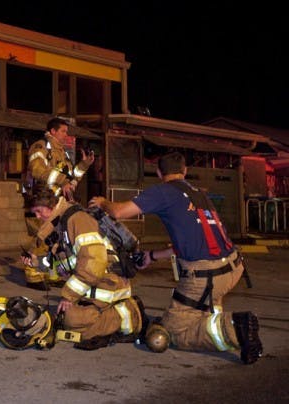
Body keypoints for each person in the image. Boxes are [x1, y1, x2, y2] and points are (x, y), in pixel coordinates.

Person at [89, 151, 263, 364]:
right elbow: (192, 241)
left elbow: (119, 212)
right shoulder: (200, 193)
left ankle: (237, 328)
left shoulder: (164, 192)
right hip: (232, 269)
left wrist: (102, 201)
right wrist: (152, 256)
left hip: (205, 277)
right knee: (203, 316)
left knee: (173, 331)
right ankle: (220, 324)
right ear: (185, 171)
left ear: (160, 172)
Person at [21, 188, 145, 350]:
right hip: (93, 286)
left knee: (71, 322)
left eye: (38, 211)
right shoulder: (60, 225)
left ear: (50, 206)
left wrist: (68, 296)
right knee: (65, 318)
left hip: (108, 285)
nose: (37, 217)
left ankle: (130, 314)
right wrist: (37, 263)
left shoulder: (76, 220)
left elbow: (93, 263)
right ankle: (104, 313)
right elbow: (64, 265)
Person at [23, 117, 95, 288]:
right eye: (63, 131)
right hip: (39, 201)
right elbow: (37, 169)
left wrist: (84, 166)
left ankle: (51, 274)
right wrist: (63, 181)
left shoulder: (62, 153)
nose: (66, 134)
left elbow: (70, 179)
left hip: (56, 204)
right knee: (40, 237)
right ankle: (33, 275)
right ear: (53, 131)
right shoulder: (40, 147)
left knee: (54, 241)